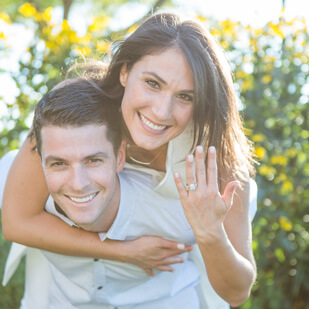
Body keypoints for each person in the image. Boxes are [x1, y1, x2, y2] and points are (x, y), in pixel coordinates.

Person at [2, 12, 257, 308]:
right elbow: (17, 221)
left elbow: (237, 293)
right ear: (124, 72)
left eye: (185, 96)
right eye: (152, 83)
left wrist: (211, 234)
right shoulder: (74, 114)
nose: (161, 111)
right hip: (59, 295)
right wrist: (124, 251)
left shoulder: (218, 165)